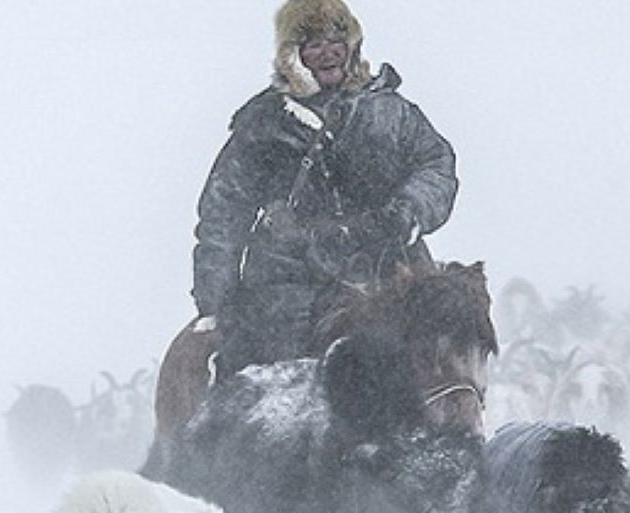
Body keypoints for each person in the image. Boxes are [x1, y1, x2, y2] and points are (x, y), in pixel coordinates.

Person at [192, 0, 459, 378]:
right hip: (291, 280)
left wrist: (409, 211)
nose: (328, 51)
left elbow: (436, 164)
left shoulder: (391, 111)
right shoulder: (264, 124)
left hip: (387, 264)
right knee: (270, 380)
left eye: (337, 39)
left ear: (352, 46)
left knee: (445, 349)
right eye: (313, 43)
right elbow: (223, 212)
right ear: (293, 56)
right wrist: (216, 299)